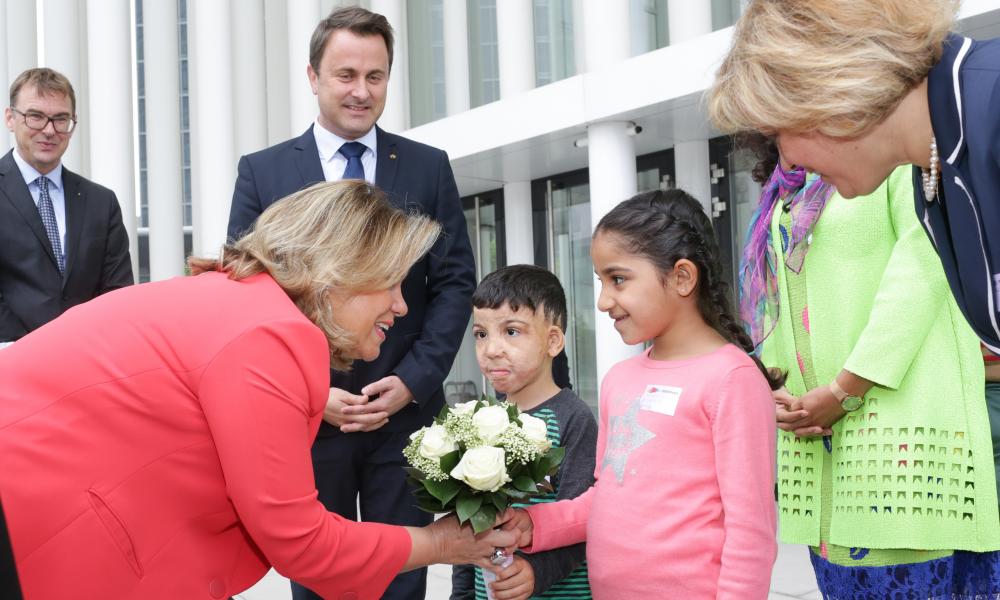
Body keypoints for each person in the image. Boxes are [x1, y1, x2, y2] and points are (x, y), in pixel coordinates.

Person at [0, 181, 513, 600]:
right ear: (341, 270)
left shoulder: (241, 302)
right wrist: (439, 542)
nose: (401, 307)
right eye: (393, 282)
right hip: (33, 527)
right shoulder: (270, 335)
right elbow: (301, 542)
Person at [227, 7, 476, 599]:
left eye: (375, 76)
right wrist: (312, 387)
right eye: (345, 75)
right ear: (312, 76)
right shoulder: (262, 173)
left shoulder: (427, 167)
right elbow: (246, 289)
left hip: (405, 418)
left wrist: (414, 380)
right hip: (309, 416)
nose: (361, 91)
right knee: (318, 575)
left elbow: (454, 281)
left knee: (402, 576)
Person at [739, 134, 1000, 596]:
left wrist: (843, 390)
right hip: (820, 456)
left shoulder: (899, 159)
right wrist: (774, 390)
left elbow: (921, 273)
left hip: (900, 447)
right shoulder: (785, 188)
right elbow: (779, 305)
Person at [500, 190, 782, 599]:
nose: (602, 301)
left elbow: (751, 532)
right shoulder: (620, 379)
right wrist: (536, 526)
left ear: (682, 277)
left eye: (618, 279)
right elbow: (606, 496)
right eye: (600, 282)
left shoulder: (731, 379)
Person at [707, 0, 1000, 352]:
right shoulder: (931, 173)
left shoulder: (991, 104)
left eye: (777, 134)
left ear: (829, 93)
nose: (786, 164)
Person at [451, 265, 597, 600]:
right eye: (481, 334)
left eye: (511, 332)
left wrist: (537, 572)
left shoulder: (573, 419)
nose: (491, 350)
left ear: (553, 341)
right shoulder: (479, 421)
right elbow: (465, 523)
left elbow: (585, 524)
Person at [0, 67, 132, 347]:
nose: (49, 130)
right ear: (10, 118)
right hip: (9, 362)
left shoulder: (101, 202)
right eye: (35, 116)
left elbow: (118, 294)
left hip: (85, 362)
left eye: (61, 119)